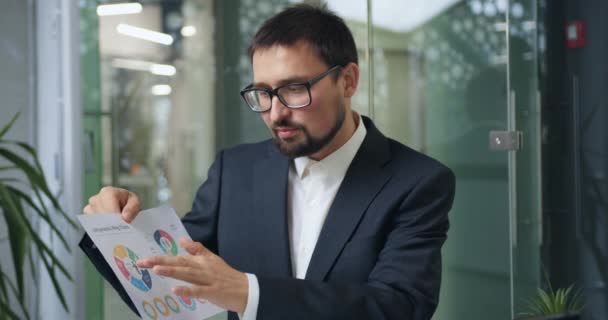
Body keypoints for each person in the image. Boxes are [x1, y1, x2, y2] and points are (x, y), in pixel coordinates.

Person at [80, 4, 455, 320]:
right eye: (262, 92)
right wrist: (111, 230)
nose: (275, 113)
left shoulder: (417, 182)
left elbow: (397, 307)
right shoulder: (235, 172)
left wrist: (248, 294)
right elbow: (167, 287)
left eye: (294, 89)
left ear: (348, 81)